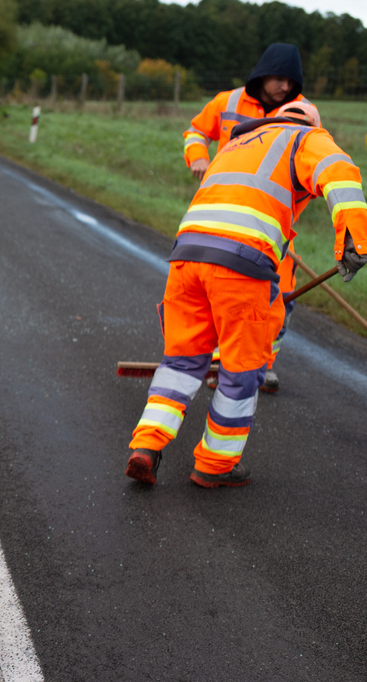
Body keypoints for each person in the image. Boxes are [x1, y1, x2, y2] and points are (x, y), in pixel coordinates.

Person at [128, 101, 367, 489]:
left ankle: (146, 445)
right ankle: (215, 465)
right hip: (241, 265)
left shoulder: (238, 142)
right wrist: (355, 238)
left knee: (180, 363)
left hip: (186, 257)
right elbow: (339, 172)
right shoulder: (307, 136)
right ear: (313, 123)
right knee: (241, 372)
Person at [183, 43, 314, 393]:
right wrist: (197, 156)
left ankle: (260, 364)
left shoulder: (302, 112)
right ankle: (216, 359)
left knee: (278, 296)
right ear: (262, 73)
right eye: (278, 78)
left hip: (271, 227)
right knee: (217, 289)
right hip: (222, 216)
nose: (284, 87)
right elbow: (196, 131)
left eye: (291, 81)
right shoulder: (227, 103)